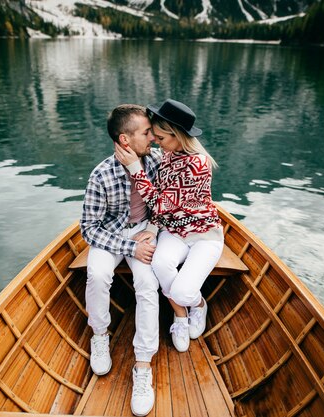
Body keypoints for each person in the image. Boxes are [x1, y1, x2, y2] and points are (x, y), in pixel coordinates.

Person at [114, 98, 224, 353]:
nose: (157, 143)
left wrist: (135, 170)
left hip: (204, 235)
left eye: (161, 138)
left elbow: (162, 204)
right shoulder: (168, 153)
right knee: (159, 263)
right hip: (173, 231)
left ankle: (196, 305)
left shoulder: (198, 165)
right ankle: (180, 316)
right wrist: (152, 228)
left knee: (185, 292)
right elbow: (162, 209)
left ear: (177, 135)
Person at [80, 104, 162, 417]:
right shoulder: (101, 174)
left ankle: (142, 366)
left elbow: (162, 206)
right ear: (125, 140)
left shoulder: (155, 160)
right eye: (146, 132)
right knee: (98, 274)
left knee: (146, 283)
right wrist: (129, 247)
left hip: (144, 232)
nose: (153, 137)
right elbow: (89, 229)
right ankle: (99, 336)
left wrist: (152, 231)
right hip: (112, 235)